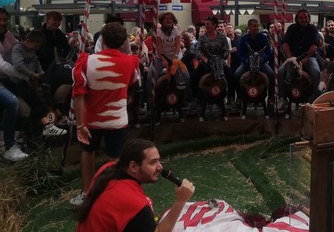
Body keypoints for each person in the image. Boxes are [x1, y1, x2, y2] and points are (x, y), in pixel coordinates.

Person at [70, 22, 140, 207]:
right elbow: (133, 81)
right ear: (123, 41)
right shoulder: (131, 62)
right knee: (115, 159)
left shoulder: (86, 61)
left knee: (88, 152)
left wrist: (79, 124)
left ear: (102, 39)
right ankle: (112, 195)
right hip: (118, 121)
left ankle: (87, 193)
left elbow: (78, 94)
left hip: (91, 120)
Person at [76, 138, 195, 232]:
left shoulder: (107, 169)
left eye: (158, 160)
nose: (160, 167)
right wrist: (180, 201)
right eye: (153, 162)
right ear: (133, 166)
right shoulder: (133, 202)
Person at [8, 29, 68, 137]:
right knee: (35, 101)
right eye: (35, 46)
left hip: (29, 80)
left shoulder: (32, 51)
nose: (36, 49)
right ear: (28, 40)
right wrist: (32, 74)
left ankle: (49, 123)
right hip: (18, 82)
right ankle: (46, 126)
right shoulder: (18, 48)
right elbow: (18, 65)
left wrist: (41, 73)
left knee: (43, 98)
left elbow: (36, 62)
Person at [146, 12, 190, 111]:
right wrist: (163, 60)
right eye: (166, 18)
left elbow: (178, 46)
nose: (169, 20)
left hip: (174, 57)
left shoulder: (176, 31)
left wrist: (175, 57)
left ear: (173, 21)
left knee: (186, 76)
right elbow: (159, 48)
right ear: (162, 21)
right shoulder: (159, 32)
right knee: (150, 78)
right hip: (160, 57)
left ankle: (185, 100)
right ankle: (150, 102)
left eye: (170, 18)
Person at [0, 8, 28, 162]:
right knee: (11, 102)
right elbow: (2, 65)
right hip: (3, 77)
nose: (3, 23)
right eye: (0, 20)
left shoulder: (8, 35)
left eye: (5, 19)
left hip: (6, 78)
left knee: (33, 91)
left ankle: (39, 128)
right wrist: (24, 75)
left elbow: (18, 50)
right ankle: (10, 147)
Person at [191, 16, 230, 121]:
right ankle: (196, 99)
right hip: (206, 62)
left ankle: (231, 98)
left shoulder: (222, 37)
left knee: (231, 74)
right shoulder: (202, 37)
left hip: (220, 62)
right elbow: (197, 51)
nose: (206, 26)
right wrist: (205, 59)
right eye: (205, 24)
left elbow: (227, 49)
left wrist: (222, 57)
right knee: (194, 76)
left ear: (214, 25)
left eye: (208, 24)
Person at [278, 9, 320, 104]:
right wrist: (291, 58)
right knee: (280, 72)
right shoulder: (292, 28)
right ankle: (282, 98)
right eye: (301, 18)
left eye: (305, 17)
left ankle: (315, 97)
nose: (304, 19)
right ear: (297, 19)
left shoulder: (313, 29)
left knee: (316, 72)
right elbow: (285, 44)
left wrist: (306, 57)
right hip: (293, 57)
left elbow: (314, 46)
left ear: (308, 18)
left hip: (308, 57)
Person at [235, 19, 274, 105]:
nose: (256, 28)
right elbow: (240, 54)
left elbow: (268, 52)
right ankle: (239, 97)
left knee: (271, 74)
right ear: (249, 27)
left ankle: (271, 97)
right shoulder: (243, 39)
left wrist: (263, 59)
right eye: (254, 26)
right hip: (247, 64)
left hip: (261, 63)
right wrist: (246, 60)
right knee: (236, 75)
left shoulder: (263, 38)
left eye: (257, 26)